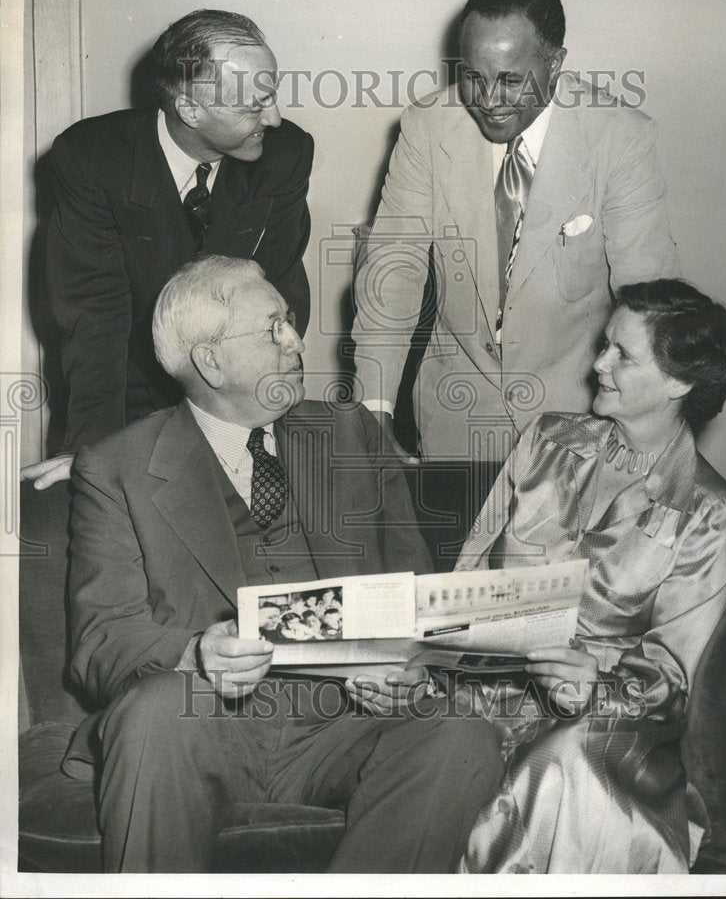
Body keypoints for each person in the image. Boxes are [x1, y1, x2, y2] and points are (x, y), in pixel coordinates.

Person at [63, 255, 503, 873]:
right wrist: (196, 654)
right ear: (210, 362)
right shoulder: (118, 468)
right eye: (273, 327)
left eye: (289, 321)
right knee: (158, 712)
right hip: (199, 719)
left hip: (345, 722)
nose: (296, 339)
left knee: (461, 736)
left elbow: (417, 595)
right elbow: (102, 641)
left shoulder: (351, 434)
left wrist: (410, 667)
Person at [452, 279, 726, 873]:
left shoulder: (714, 514)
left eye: (622, 354)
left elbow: (671, 676)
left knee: (560, 764)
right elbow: (469, 566)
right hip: (483, 692)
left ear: (678, 382)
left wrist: (594, 684)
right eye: (604, 344)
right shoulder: (544, 441)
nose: (598, 364)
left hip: (607, 722)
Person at [352, 0, 680, 462]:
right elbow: (393, 270)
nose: (487, 99)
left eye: (509, 80)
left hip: (581, 424)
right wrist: (372, 411)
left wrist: (649, 438)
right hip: (454, 415)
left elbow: (649, 300)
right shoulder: (427, 125)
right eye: (472, 76)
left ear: (556, 63)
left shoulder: (621, 137)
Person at [22, 9, 314, 488]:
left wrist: (266, 418)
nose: (275, 117)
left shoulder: (286, 154)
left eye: (273, 96)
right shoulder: (92, 159)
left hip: (238, 387)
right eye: (252, 106)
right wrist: (94, 449)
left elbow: (280, 293)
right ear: (190, 109)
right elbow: (93, 314)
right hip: (128, 396)